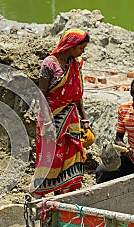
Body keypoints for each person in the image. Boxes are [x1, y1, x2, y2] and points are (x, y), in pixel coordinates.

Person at [30, 28, 91, 197]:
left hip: (71, 118)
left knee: (70, 158)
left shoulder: (76, 64)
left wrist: (84, 119)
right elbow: (41, 94)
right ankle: (39, 196)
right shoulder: (49, 64)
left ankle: (63, 196)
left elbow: (78, 93)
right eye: (80, 48)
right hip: (51, 116)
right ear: (70, 45)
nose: (82, 52)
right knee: (51, 158)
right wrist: (48, 122)